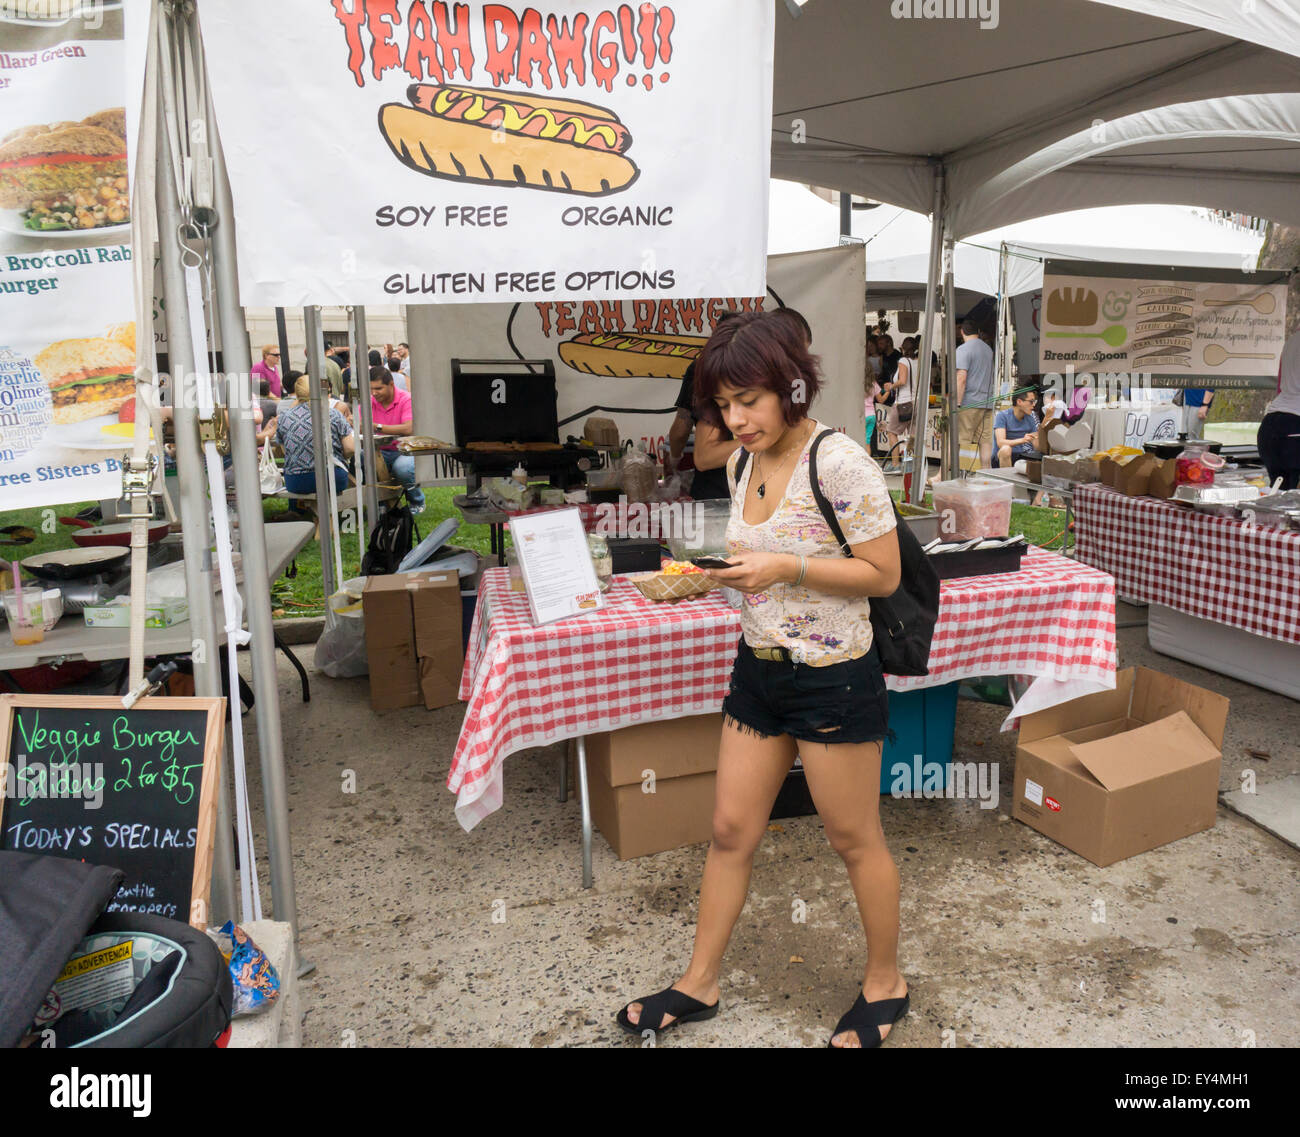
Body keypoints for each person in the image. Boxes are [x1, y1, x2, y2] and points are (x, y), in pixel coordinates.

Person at [616, 311, 906, 1048]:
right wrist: (711, 580)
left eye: (749, 400)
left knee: (853, 837)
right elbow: (759, 565)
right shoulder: (742, 462)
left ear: (792, 386)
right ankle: (700, 980)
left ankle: (886, 981)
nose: (734, 420)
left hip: (834, 677)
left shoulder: (840, 462)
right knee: (728, 831)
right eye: (723, 404)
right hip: (759, 670)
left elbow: (884, 573)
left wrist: (786, 566)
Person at [668, 311, 744, 499]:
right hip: (727, 492)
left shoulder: (702, 368)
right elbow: (704, 457)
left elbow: (680, 430)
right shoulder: (707, 371)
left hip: (719, 492)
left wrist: (673, 463)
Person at [276, 374, 354, 496]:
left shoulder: (284, 417)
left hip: (295, 481)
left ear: (296, 393)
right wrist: (339, 455)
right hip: (332, 478)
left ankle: (297, 512)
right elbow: (350, 448)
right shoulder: (333, 414)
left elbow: (286, 451)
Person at [369, 364, 424, 513]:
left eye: (378, 388)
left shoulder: (406, 399)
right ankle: (381, 501)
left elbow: (408, 429)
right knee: (362, 460)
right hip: (380, 450)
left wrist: (377, 427)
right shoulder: (369, 401)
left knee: (403, 468)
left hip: (406, 449)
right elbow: (361, 425)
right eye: (371, 389)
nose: (374, 393)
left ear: (391, 385)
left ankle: (417, 501)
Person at [1258, 330, 1300, 490]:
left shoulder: (1292, 340)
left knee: (1280, 499)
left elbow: (1281, 386)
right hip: (1295, 426)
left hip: (1270, 425)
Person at [955, 320, 995, 468]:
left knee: (954, 440)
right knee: (984, 442)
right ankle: (987, 473)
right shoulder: (988, 349)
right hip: (987, 402)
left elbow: (961, 377)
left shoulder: (963, 349)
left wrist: (957, 403)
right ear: (977, 332)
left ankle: (942, 476)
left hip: (969, 401)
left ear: (962, 331)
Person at [882, 336, 917, 473]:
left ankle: (895, 464)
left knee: (891, 432)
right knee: (912, 435)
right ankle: (909, 464)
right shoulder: (918, 362)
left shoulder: (903, 361)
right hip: (917, 401)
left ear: (903, 348)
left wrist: (891, 386)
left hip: (904, 401)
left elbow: (902, 380)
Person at [994, 388, 1041, 468]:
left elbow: (1037, 447)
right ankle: (1007, 479)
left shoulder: (1030, 418)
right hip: (1001, 457)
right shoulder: (1002, 416)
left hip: (1021, 457)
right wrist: (1023, 440)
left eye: (1034, 402)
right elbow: (1000, 442)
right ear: (1019, 402)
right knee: (1006, 449)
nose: (1034, 405)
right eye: (1031, 401)